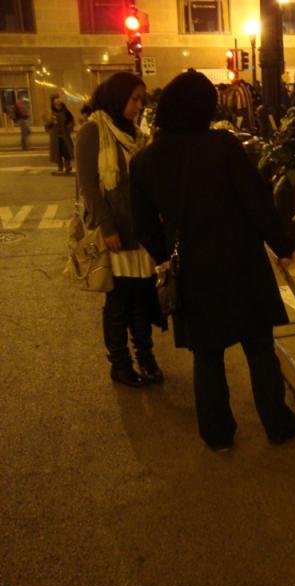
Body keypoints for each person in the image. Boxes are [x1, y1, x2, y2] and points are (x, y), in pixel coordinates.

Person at [130, 71, 295, 452]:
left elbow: (144, 226)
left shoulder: (145, 161)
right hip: (240, 260)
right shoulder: (222, 146)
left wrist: (168, 254)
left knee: (207, 355)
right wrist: (282, 245)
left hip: (191, 269)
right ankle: (278, 425)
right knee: (259, 347)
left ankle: (217, 434)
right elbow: (255, 200)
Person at [75, 72, 165, 387]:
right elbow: (88, 186)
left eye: (142, 100)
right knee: (119, 302)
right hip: (115, 232)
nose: (139, 105)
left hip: (139, 230)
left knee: (142, 298)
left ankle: (146, 356)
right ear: (118, 97)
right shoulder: (93, 131)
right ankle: (120, 363)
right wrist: (107, 227)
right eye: (135, 99)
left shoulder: (132, 132)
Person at [45, 96, 75, 174]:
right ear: (53, 104)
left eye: (59, 103)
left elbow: (71, 121)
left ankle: (68, 166)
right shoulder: (50, 112)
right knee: (57, 152)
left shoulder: (66, 112)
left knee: (66, 151)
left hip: (64, 135)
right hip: (55, 136)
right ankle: (60, 167)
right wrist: (50, 122)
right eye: (56, 104)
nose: (57, 105)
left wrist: (69, 126)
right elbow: (47, 125)